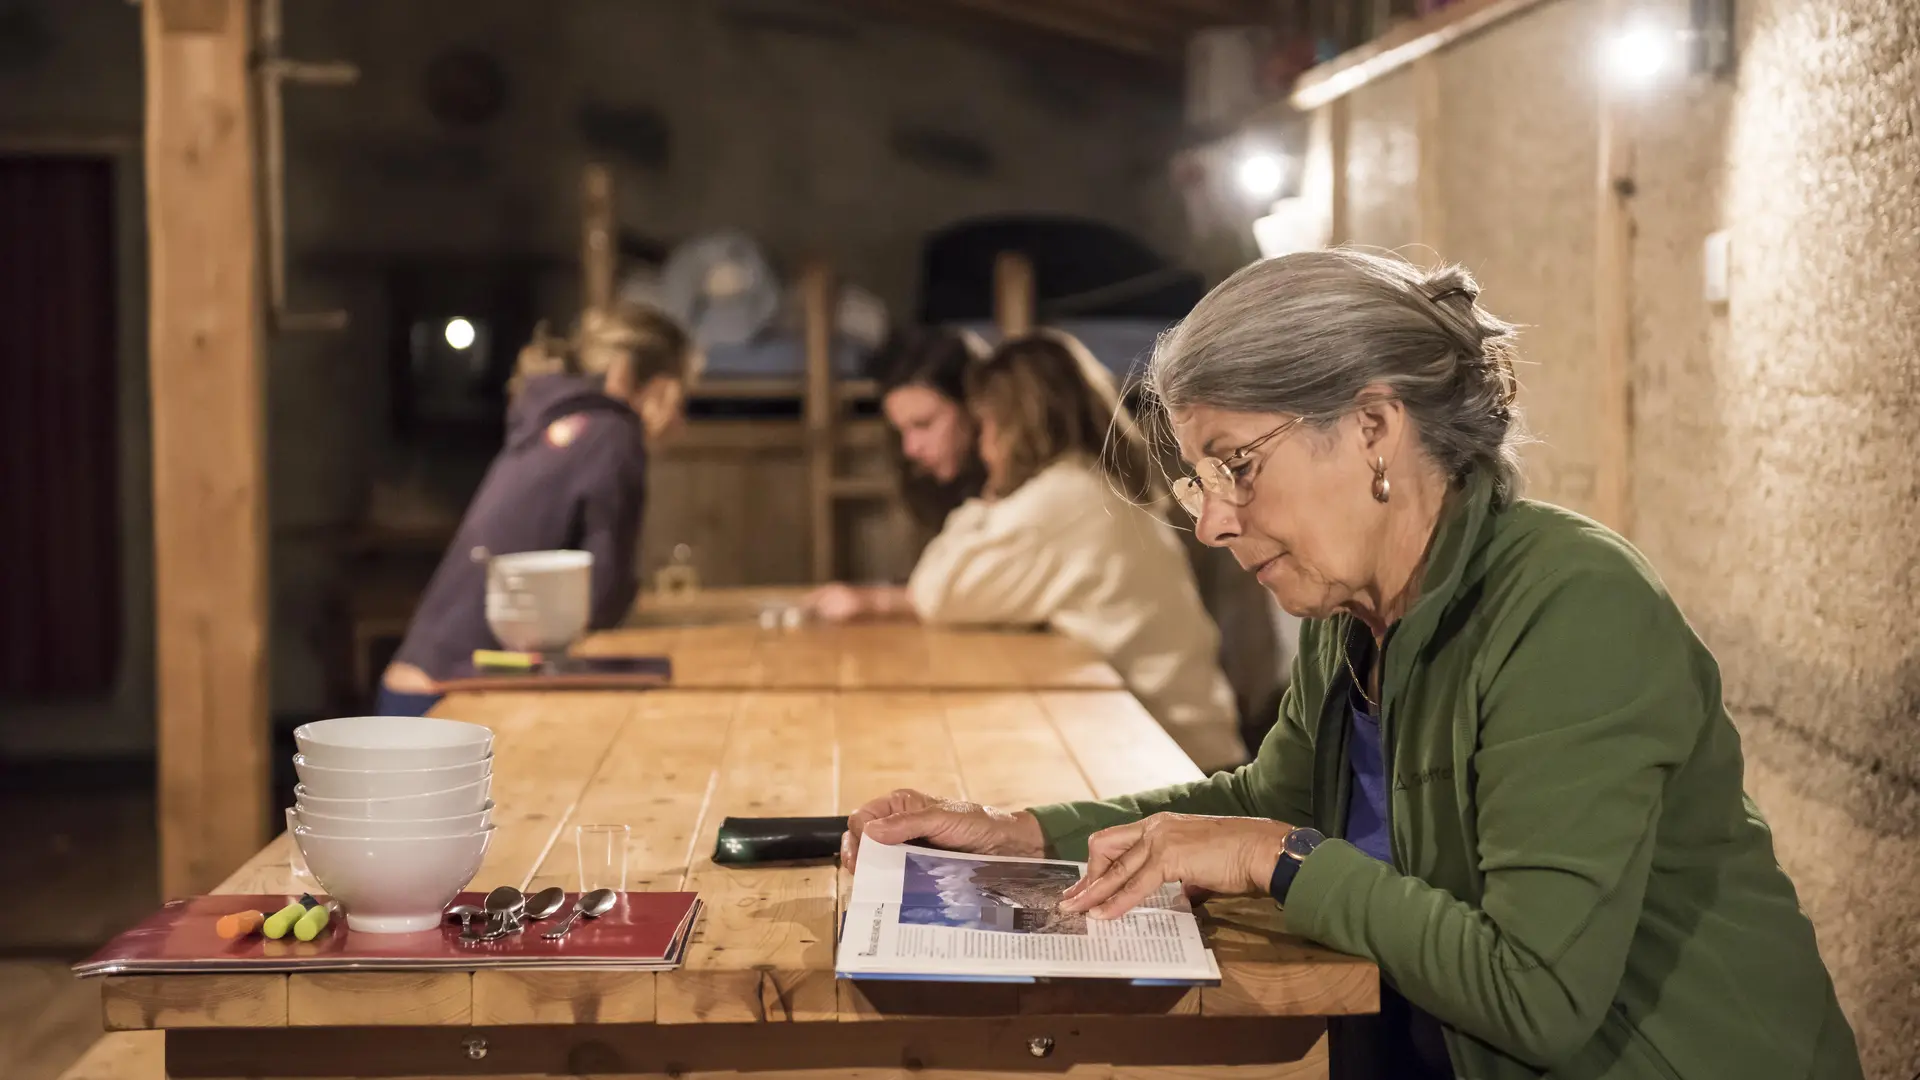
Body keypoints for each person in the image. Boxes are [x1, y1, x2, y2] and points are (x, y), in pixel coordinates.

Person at [841, 252, 1861, 1079]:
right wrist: (1016, 834)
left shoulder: (1571, 606)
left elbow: (1538, 998)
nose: (1210, 522)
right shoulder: (1352, 604)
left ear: (1375, 427)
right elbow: (1266, 795)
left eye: (1235, 465)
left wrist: (1275, 857)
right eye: (1199, 481)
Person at [811, 331, 1247, 772]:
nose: (982, 445)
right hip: (1177, 742)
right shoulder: (1087, 482)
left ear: (1014, 424)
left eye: (985, 426)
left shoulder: (1062, 497)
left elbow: (937, 591)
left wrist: (989, 495)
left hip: (1177, 759)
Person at [376, 304, 699, 716]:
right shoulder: (614, 434)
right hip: (447, 702)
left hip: (416, 683)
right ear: (647, 383)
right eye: (681, 397)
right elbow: (601, 599)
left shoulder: (557, 422)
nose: (681, 422)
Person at [867, 326, 990, 538]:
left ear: (974, 407)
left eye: (923, 425)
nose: (911, 449)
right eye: (901, 431)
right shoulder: (927, 487)